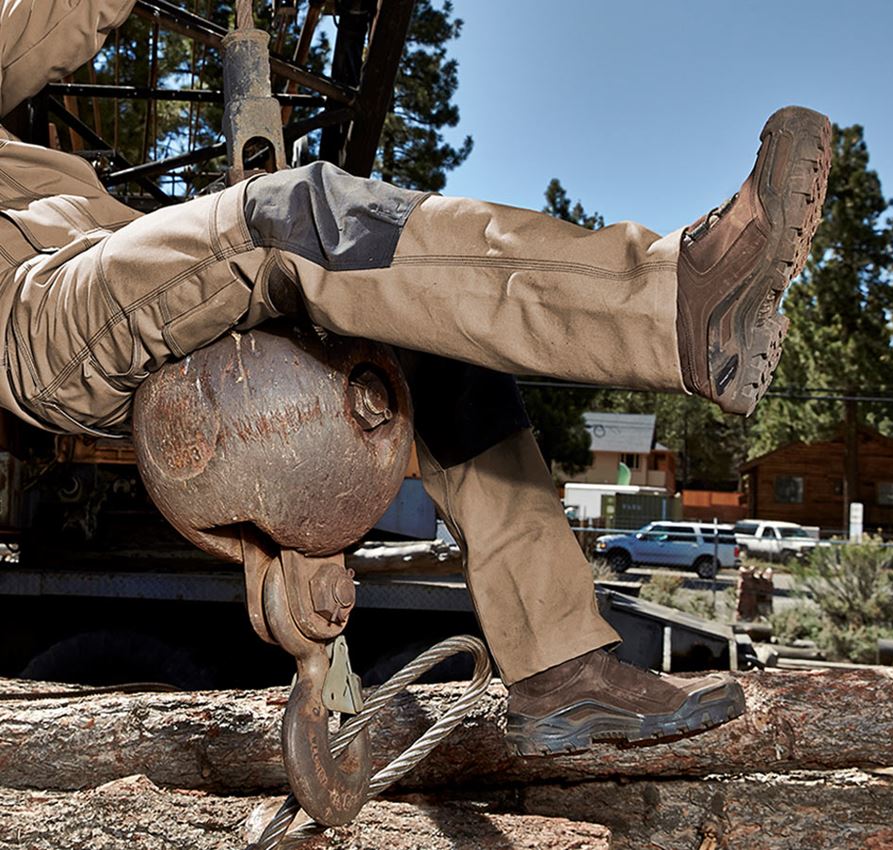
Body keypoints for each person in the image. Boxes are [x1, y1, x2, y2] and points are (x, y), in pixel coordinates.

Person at [0, 0, 831, 756]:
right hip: (36, 323)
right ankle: (675, 304)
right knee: (286, 216)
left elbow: (49, 16)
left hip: (111, 274)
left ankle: (561, 668)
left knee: (426, 328)